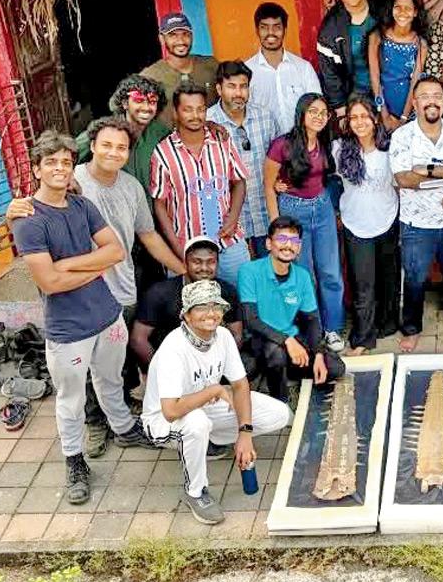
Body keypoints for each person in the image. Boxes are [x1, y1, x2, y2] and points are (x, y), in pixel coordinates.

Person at [6, 116, 187, 447]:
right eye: (106, 145)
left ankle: (120, 425)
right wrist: (12, 214)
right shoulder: (58, 192)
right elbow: (48, 278)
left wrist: (183, 270)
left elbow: (131, 244)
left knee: (110, 373)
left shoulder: (116, 191)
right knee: (75, 387)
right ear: (92, 147)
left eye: (121, 148)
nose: (113, 153)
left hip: (114, 299)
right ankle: (87, 437)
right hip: (70, 311)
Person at [11, 131, 155, 506]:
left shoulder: (82, 206)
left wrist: (75, 266)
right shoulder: (28, 220)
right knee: (71, 400)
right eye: (51, 162)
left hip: (107, 316)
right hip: (69, 329)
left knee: (110, 381)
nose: (59, 169)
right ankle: (74, 461)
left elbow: (117, 250)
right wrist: (97, 266)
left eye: (64, 161)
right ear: (37, 169)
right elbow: (50, 282)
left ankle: (123, 429)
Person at [140, 279, 292, 525]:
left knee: (279, 414)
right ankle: (195, 492)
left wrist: (245, 434)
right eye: (201, 307)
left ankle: (211, 442)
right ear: (186, 315)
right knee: (197, 423)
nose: (210, 314)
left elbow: (240, 385)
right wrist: (212, 390)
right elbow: (170, 411)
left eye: (216, 307)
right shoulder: (173, 349)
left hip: (207, 402)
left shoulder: (222, 335)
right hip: (162, 421)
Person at [389, 76, 443, 351]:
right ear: (415, 103)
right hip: (417, 223)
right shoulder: (402, 136)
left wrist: (427, 170)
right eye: (425, 96)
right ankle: (412, 327)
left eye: (437, 95)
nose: (432, 100)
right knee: (415, 276)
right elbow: (403, 178)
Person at [263, 93, 346, 352]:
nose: (319, 117)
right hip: (292, 211)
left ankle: (333, 328)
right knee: (304, 275)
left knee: (331, 272)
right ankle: (315, 331)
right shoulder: (282, 145)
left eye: (323, 112)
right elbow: (268, 185)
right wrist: (277, 225)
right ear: (301, 113)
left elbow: (329, 177)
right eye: (313, 111)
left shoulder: (325, 142)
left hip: (321, 208)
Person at [150, 82, 251, 285]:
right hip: (188, 248)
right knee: (192, 308)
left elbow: (239, 181)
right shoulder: (163, 153)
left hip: (228, 243)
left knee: (242, 301)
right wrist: (178, 249)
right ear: (176, 113)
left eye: (200, 109)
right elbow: (159, 204)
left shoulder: (222, 141)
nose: (195, 116)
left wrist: (233, 218)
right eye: (187, 109)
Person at [237, 216, 346, 401]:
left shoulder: (302, 276)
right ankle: (280, 403)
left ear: (299, 247)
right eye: (281, 239)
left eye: (294, 241)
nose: (288, 245)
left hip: (292, 341)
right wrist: (286, 340)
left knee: (335, 368)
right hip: (260, 341)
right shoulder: (249, 271)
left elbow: (312, 320)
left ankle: (285, 372)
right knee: (275, 354)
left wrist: (318, 354)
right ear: (269, 244)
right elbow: (251, 320)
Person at [334, 94, 400, 355]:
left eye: (365, 116)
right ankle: (363, 338)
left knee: (388, 279)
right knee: (363, 284)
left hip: (387, 219)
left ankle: (388, 325)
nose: (360, 122)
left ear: (375, 118)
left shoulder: (390, 148)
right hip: (355, 223)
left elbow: (400, 183)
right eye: (354, 117)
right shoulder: (339, 149)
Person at [130, 236, 244, 373]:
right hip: (170, 364)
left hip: (213, 364)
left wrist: (220, 367)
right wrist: (161, 371)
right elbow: (138, 339)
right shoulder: (160, 293)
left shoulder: (227, 291)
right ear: (185, 263)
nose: (204, 268)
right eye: (197, 262)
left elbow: (236, 335)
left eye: (211, 262)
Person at [209, 61, 277, 258]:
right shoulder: (207, 123)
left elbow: (278, 163)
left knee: (271, 276)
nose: (238, 93)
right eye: (231, 86)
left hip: (266, 214)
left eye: (243, 86)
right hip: (230, 222)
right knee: (242, 281)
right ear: (219, 89)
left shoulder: (265, 117)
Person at [74, 74, 171, 189]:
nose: (146, 107)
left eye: (152, 102)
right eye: (138, 100)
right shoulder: (106, 131)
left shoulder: (161, 133)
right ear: (125, 103)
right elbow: (68, 153)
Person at [318, 0, 391, 116]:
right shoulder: (330, 28)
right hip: (359, 95)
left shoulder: (387, 5)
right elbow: (330, 74)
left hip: (392, 87)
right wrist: (341, 109)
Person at [245, 1, 322, 135]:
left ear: (285, 29)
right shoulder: (246, 72)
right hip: (265, 148)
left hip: (301, 145)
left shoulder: (303, 69)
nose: (271, 33)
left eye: (277, 27)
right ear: (257, 30)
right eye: (264, 27)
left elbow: (317, 109)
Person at [368, 0, 430, 132]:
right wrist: (384, 115)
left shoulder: (420, 43)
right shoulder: (377, 37)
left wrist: (404, 118)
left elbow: (415, 81)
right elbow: (375, 77)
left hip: (408, 110)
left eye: (408, 8)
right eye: (398, 7)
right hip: (380, 106)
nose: (402, 13)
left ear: (415, 12)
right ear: (391, 9)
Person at [141, 12, 219, 128]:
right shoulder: (150, 76)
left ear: (192, 36)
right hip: (172, 143)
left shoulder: (211, 65)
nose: (181, 40)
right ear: (162, 39)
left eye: (185, 34)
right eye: (173, 35)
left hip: (213, 141)